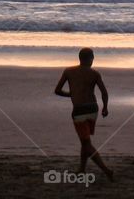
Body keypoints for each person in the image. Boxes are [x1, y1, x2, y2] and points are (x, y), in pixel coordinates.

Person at [54, 48, 113, 180]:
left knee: (86, 143)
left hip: (79, 110)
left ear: (80, 58)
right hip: (93, 109)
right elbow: (104, 93)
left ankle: (106, 170)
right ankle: (81, 170)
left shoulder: (68, 71)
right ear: (91, 59)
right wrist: (105, 108)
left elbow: (57, 90)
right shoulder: (95, 74)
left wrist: (70, 94)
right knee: (85, 141)